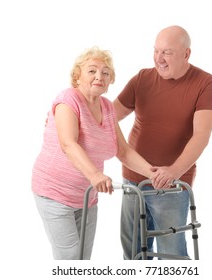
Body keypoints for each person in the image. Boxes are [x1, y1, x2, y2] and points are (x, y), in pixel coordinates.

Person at [31, 46, 156, 260]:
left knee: (83, 259)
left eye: (106, 72)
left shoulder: (107, 108)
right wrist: (96, 175)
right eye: (92, 70)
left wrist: (153, 173)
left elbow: (123, 151)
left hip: (87, 197)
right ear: (77, 76)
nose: (100, 76)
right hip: (54, 193)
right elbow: (68, 144)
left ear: (110, 81)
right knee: (70, 259)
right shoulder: (68, 100)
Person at [113, 25, 212, 259]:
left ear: (186, 54)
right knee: (133, 251)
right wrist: (70, 114)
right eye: (156, 51)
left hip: (172, 183)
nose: (159, 59)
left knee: (171, 253)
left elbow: (202, 135)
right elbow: (108, 116)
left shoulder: (205, 83)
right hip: (134, 177)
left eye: (167, 52)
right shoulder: (142, 78)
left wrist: (174, 171)